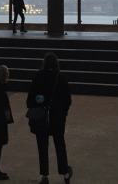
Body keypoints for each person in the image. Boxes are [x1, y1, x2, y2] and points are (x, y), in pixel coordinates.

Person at [27, 52, 73, 184]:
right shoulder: (61, 77)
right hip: (57, 118)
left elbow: (30, 99)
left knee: (42, 146)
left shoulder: (38, 76)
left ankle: (44, 175)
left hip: (41, 118)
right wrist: (63, 113)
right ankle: (65, 173)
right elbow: (68, 100)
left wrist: (37, 105)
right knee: (60, 144)